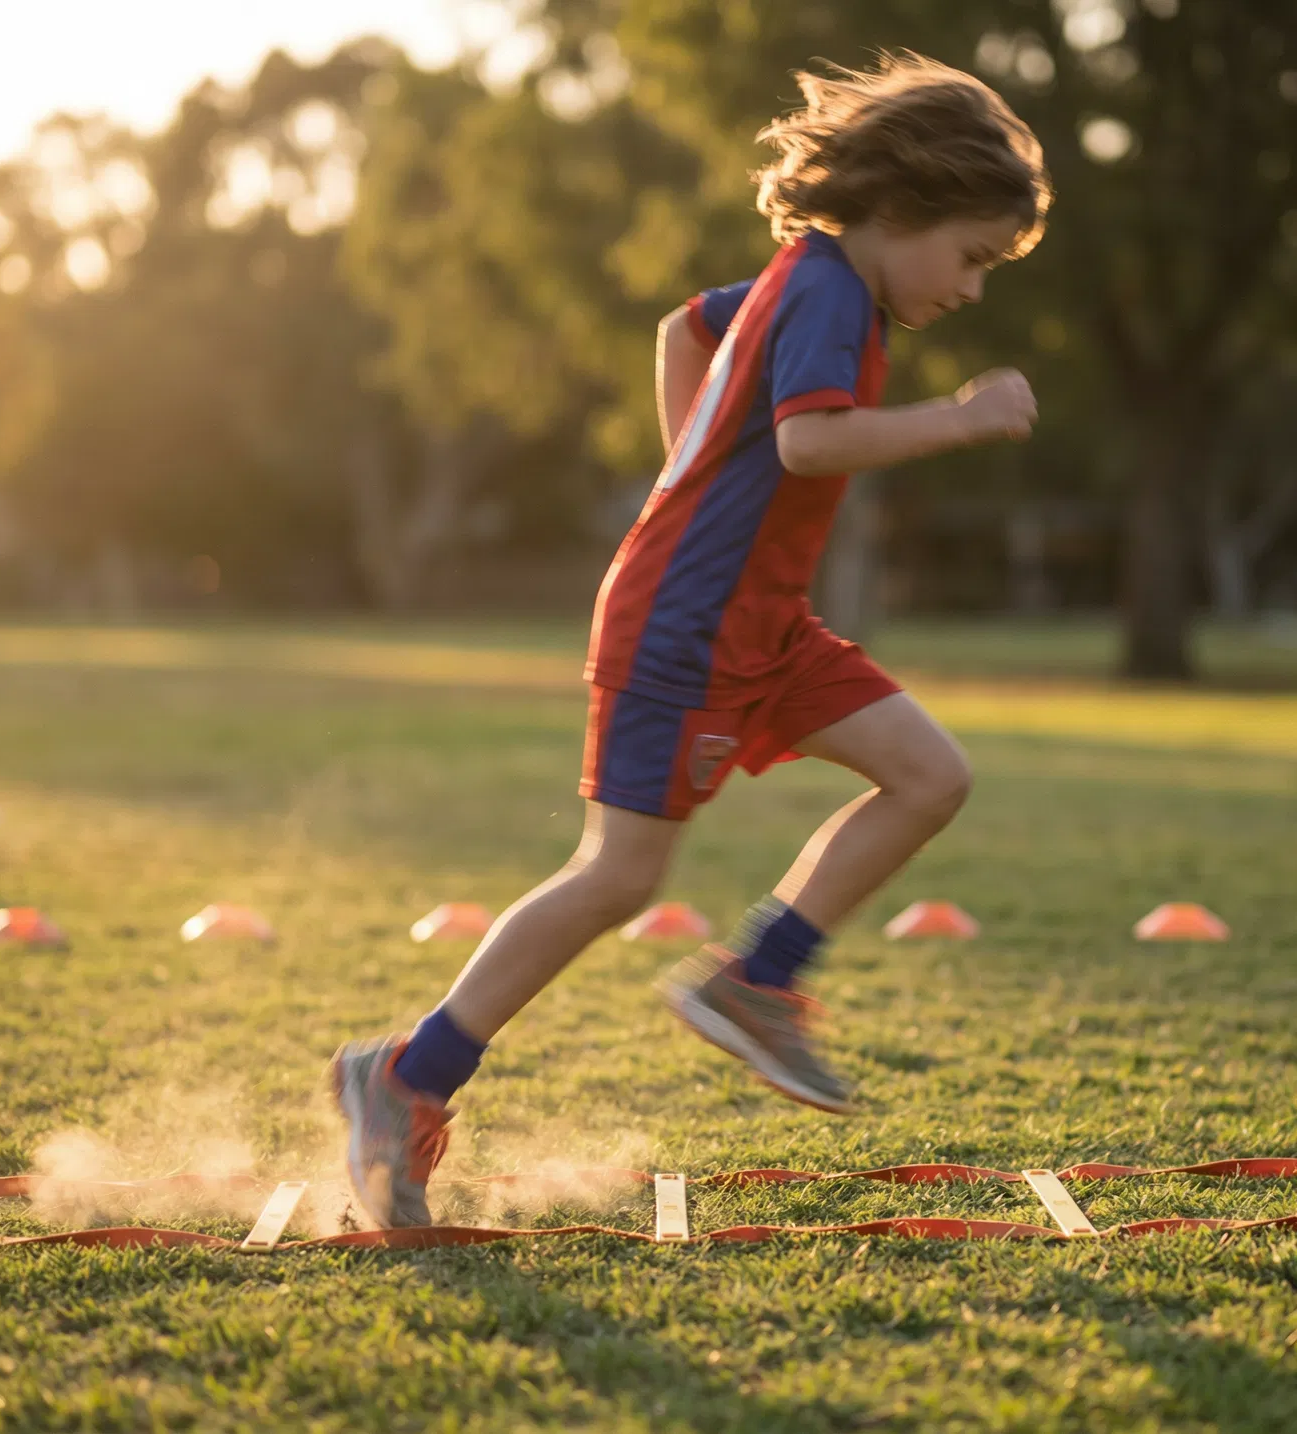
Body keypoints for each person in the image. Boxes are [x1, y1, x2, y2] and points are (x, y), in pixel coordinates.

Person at [329, 53, 1054, 1228]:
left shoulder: (814, 281)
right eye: (971, 256)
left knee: (930, 775)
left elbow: (686, 327)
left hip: (760, 617)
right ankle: (406, 1073)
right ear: (902, 205)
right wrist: (957, 421)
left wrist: (689, 473)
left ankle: (759, 979)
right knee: (620, 872)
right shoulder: (827, 291)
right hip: (687, 620)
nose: (972, 290)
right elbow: (814, 444)